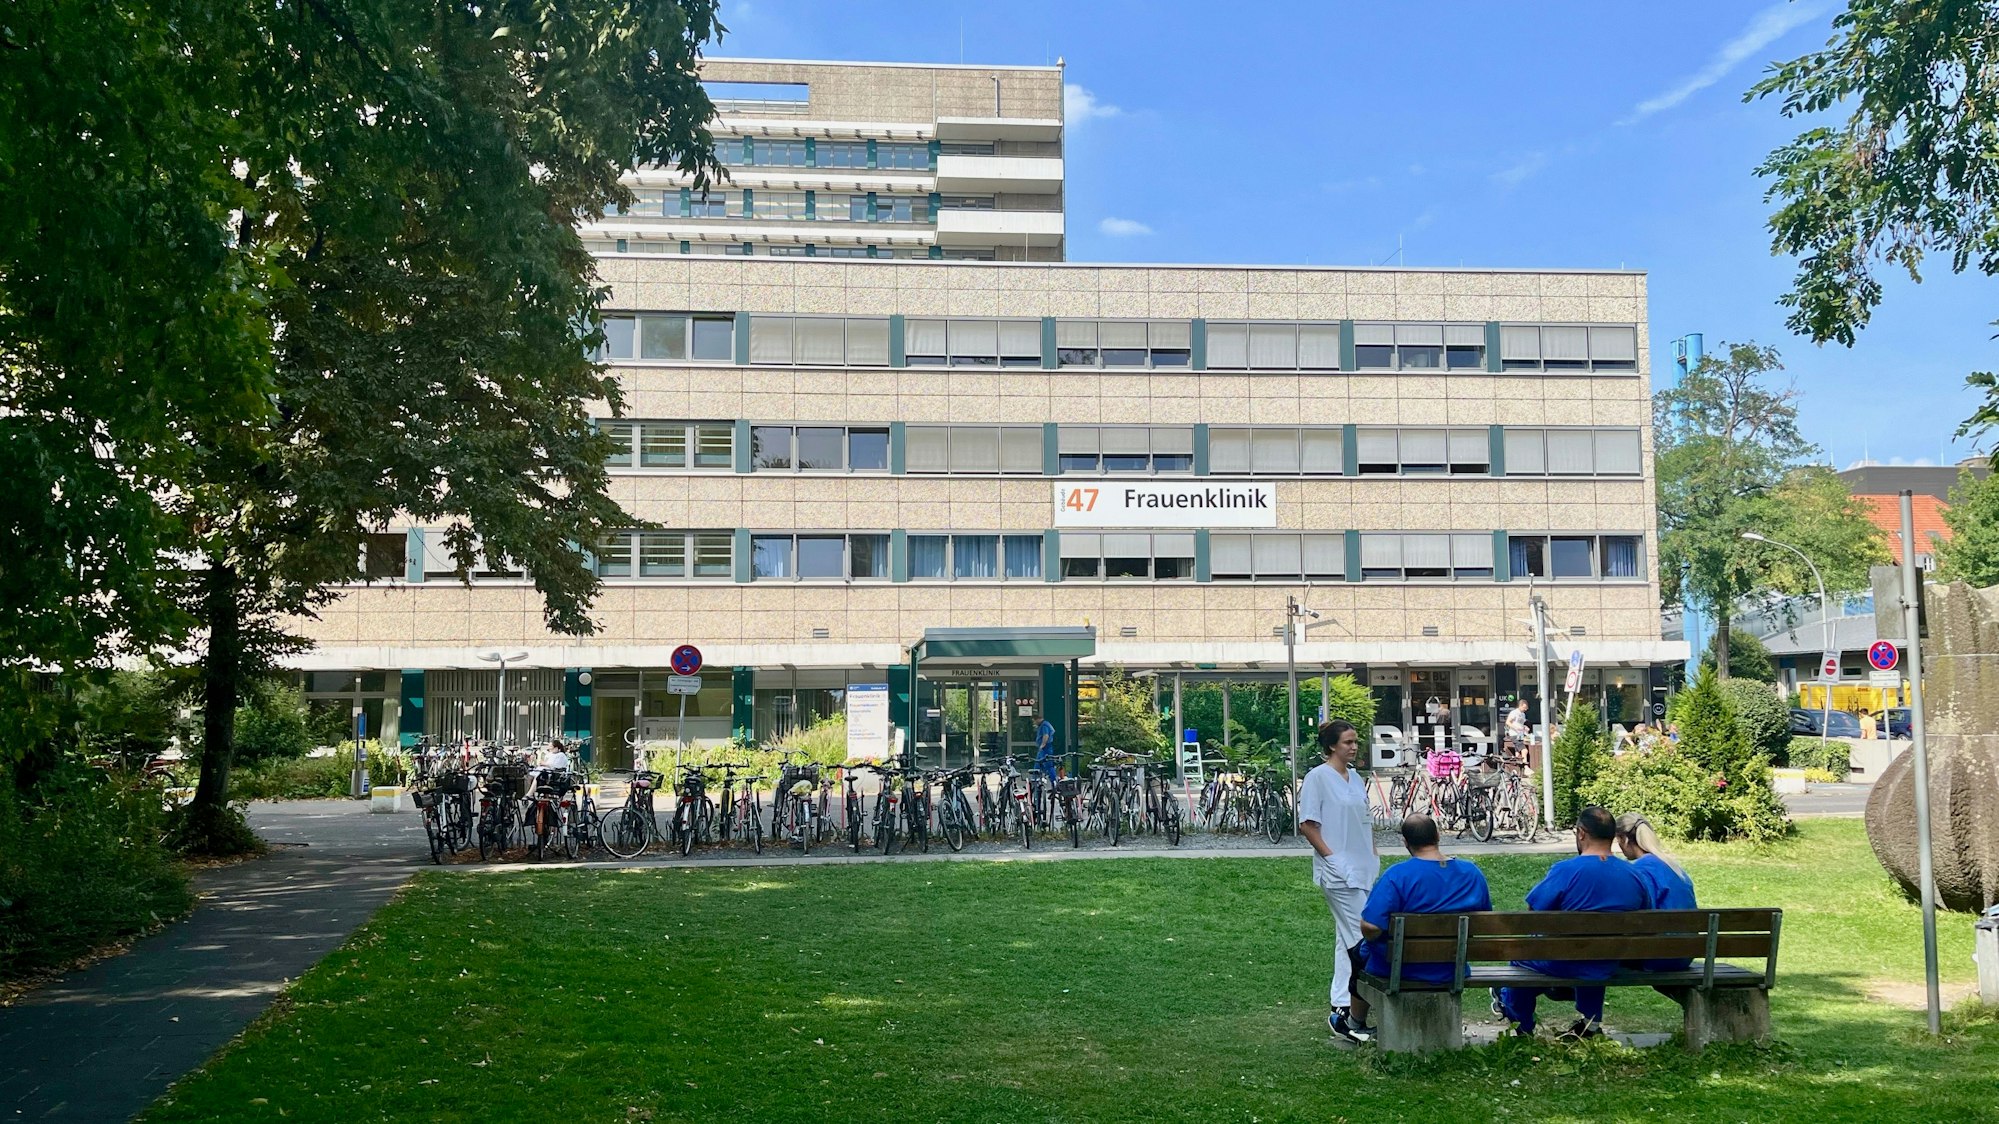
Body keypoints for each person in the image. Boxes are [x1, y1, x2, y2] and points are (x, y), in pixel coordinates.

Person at [1493, 805, 1648, 1038]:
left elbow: (1532, 912)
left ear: (1581, 833)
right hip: (1609, 960)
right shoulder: (1634, 875)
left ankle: (1520, 1022)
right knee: (1595, 951)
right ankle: (1591, 1022)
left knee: (1522, 957)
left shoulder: (1566, 870)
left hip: (1562, 960)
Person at [1349, 813, 1493, 1032]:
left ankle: (1355, 1023)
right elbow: (1483, 919)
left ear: (1405, 842)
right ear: (1437, 835)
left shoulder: (1397, 876)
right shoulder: (1471, 873)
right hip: (1451, 967)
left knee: (1358, 953)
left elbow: (1370, 927)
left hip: (1401, 968)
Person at [1299, 719, 1380, 1043]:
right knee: (1363, 937)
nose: (1354, 746)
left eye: (1355, 741)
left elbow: (1364, 820)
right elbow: (1308, 824)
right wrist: (1332, 858)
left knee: (1344, 937)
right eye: (1347, 742)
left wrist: (1373, 854)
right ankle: (1349, 1015)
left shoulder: (1356, 778)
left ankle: (1341, 1004)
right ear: (1332, 745)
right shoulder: (1317, 778)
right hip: (1338, 871)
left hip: (1363, 868)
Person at [1616, 812, 1697, 971]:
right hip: (1686, 953)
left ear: (1624, 839)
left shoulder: (1640, 871)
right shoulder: (1674, 867)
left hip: (1658, 955)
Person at [1034, 715, 1058, 781]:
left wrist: (1042, 745)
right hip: (1044, 748)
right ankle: (1034, 781)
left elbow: (1046, 735)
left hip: (1045, 748)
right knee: (1037, 765)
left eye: (1035, 721)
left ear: (1038, 719)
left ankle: (1054, 782)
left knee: (1048, 765)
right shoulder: (1045, 724)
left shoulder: (1044, 725)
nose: (1035, 723)